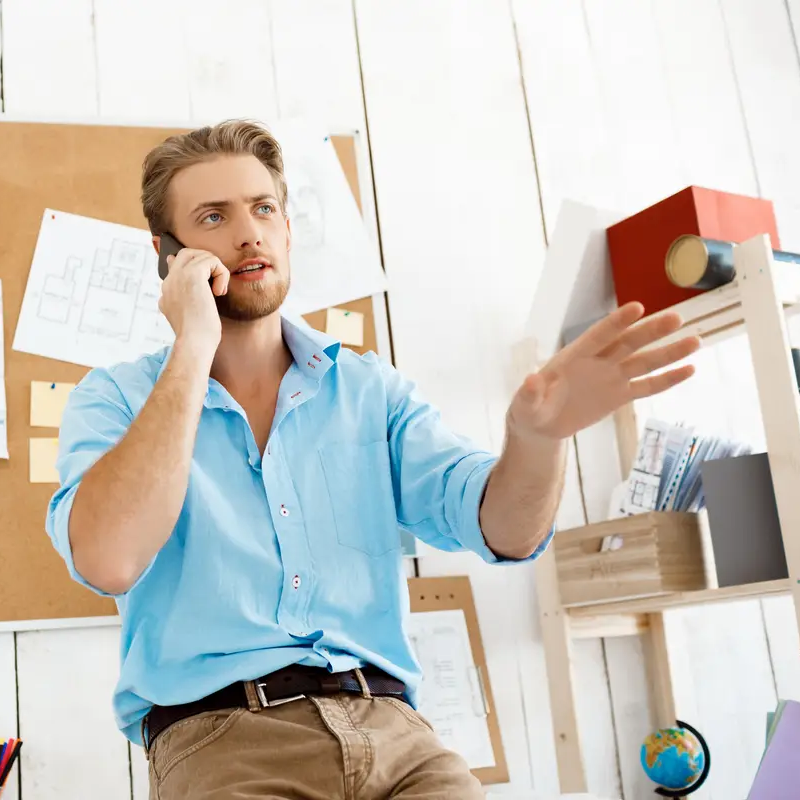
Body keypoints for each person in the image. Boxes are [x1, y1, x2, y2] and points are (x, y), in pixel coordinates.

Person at [46, 119, 699, 798]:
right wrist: (192, 345)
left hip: (394, 734)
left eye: (263, 209)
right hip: (221, 741)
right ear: (167, 254)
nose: (249, 234)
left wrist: (538, 439)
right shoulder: (115, 399)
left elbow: (506, 531)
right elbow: (108, 559)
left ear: (287, 230)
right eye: (214, 217)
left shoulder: (370, 390)